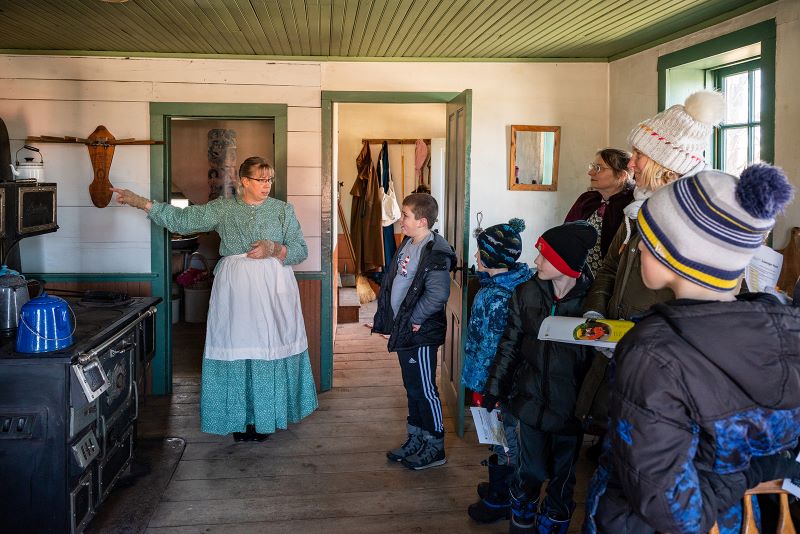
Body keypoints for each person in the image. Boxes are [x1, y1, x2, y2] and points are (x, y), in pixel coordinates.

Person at [590, 163, 800, 534]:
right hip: (740, 520)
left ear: (671, 253)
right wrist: (755, 472)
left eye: (646, 239)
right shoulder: (784, 331)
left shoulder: (651, 353)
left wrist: (743, 475)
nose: (639, 248)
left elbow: (674, 512)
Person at [111, 156, 318, 442]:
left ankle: (266, 418)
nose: (267, 185)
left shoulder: (282, 210)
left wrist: (274, 248)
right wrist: (140, 202)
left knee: (270, 346)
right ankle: (239, 420)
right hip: (236, 290)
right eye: (261, 179)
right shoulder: (224, 208)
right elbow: (183, 220)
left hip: (274, 291)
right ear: (244, 181)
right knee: (236, 347)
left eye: (270, 179)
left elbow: (300, 250)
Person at [574, 91, 725, 458]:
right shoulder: (637, 212)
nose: (632, 163)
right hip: (618, 341)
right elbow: (610, 269)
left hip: (653, 360)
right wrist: (596, 311)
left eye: (639, 155)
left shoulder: (693, 222)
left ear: (665, 164)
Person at [483, 221, 598, 534]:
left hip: (570, 407)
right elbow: (510, 344)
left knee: (564, 476)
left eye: (544, 256)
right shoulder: (526, 292)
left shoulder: (591, 304)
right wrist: (495, 387)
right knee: (529, 470)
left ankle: (554, 521)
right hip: (530, 400)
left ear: (564, 264)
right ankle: (521, 520)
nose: (536, 261)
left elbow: (596, 362)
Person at [372, 192, 456, 470]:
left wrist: (414, 320)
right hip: (406, 328)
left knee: (425, 389)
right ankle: (417, 438)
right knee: (412, 387)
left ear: (422, 221)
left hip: (420, 332)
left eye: (405, 216)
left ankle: (435, 445)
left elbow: (437, 294)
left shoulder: (435, 252)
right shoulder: (409, 242)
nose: (401, 220)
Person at [461, 217, 533, 523]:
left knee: (505, 439)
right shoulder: (496, 285)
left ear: (492, 257)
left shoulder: (499, 298)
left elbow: (495, 349)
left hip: (497, 383)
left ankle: (502, 498)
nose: (476, 256)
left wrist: (489, 386)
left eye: (480, 252)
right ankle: (498, 484)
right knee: (496, 435)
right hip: (489, 380)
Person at [565, 148, 634, 275]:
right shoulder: (586, 199)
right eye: (593, 167)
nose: (590, 172)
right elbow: (566, 234)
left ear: (621, 175)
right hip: (577, 276)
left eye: (599, 168)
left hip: (611, 279)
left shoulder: (631, 208)